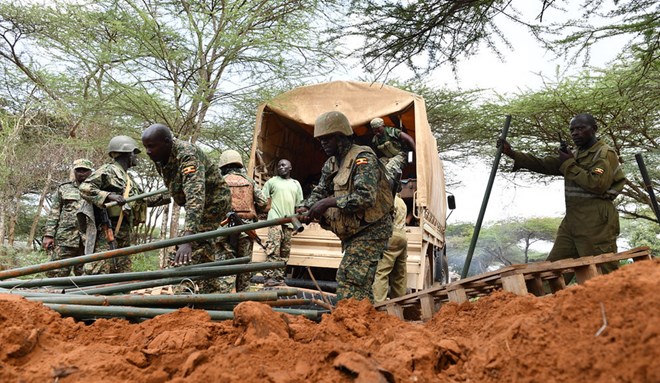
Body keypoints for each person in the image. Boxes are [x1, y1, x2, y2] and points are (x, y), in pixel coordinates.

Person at [498, 113, 626, 269]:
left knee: (602, 268)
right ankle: (543, 294)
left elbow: (597, 184)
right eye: (572, 130)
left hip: (596, 220)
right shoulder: (576, 153)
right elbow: (545, 164)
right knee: (554, 268)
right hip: (573, 219)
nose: (575, 133)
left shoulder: (604, 154)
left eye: (580, 128)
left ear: (594, 129)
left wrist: (569, 164)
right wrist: (512, 153)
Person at [297, 111, 393, 302]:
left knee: (350, 280)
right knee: (359, 285)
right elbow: (320, 190)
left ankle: (350, 325)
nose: (323, 143)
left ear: (341, 137)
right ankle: (365, 324)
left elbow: (365, 198)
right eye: (321, 140)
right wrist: (306, 207)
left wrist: (326, 203)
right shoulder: (331, 163)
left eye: (327, 139)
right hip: (353, 231)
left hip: (372, 229)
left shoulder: (363, 158)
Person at [141, 123, 232, 293]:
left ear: (167, 142)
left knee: (184, 253)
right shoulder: (161, 159)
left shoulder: (187, 155)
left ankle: (181, 296)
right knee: (203, 252)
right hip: (196, 203)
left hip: (212, 203)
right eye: (145, 146)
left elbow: (196, 197)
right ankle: (212, 296)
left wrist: (187, 239)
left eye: (152, 146)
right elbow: (174, 190)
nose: (148, 151)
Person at [80, 136, 168, 274]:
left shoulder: (128, 179)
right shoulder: (108, 170)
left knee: (123, 273)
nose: (136, 157)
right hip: (107, 230)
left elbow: (143, 200)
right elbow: (85, 188)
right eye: (134, 153)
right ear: (127, 153)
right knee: (100, 272)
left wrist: (171, 194)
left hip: (124, 232)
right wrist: (109, 196)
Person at [218, 149, 268, 292]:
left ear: (223, 166)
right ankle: (243, 302)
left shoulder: (220, 181)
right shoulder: (249, 181)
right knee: (244, 268)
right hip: (246, 230)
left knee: (225, 267)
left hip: (224, 230)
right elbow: (263, 203)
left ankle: (224, 300)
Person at [42, 158, 94, 278]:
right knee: (56, 272)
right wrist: (49, 235)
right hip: (65, 237)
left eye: (85, 170)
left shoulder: (96, 190)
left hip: (88, 239)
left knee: (86, 275)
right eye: (78, 170)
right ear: (74, 171)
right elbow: (54, 213)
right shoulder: (64, 188)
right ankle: (53, 295)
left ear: (90, 172)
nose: (81, 173)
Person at [260, 159, 303, 286]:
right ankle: (268, 278)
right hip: (275, 220)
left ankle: (279, 278)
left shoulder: (296, 184)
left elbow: (298, 206)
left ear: (290, 167)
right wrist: (268, 211)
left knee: (285, 251)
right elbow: (263, 201)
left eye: (284, 165)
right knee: (273, 248)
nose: (281, 167)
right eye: (279, 166)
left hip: (290, 222)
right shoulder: (272, 182)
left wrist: (297, 224)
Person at [372, 193, 408, 303]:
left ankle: (379, 306)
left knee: (381, 272)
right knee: (399, 275)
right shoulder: (401, 202)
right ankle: (400, 305)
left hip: (390, 236)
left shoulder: (387, 197)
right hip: (402, 237)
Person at [369, 117, 416, 182]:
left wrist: (417, 153)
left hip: (401, 155)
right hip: (388, 157)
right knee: (376, 167)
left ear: (383, 126)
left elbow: (409, 139)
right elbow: (375, 154)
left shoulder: (391, 131)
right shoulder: (375, 140)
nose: (377, 132)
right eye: (374, 130)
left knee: (389, 168)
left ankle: (388, 187)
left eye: (378, 129)